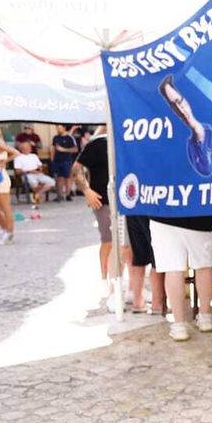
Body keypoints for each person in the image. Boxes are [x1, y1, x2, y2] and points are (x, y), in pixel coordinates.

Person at [150, 215, 212, 340]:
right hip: (201, 213)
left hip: (164, 213)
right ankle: (205, 317)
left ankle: (179, 325)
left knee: (173, 269)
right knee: (204, 265)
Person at [77, 126, 122, 309]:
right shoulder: (97, 143)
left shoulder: (127, 140)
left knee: (125, 245)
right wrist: (87, 190)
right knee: (109, 241)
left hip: (126, 199)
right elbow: (76, 170)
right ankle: (106, 282)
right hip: (101, 200)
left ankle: (119, 284)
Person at [124, 215, 167, 316]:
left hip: (133, 208)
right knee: (156, 257)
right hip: (152, 209)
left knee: (138, 256)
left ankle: (138, 301)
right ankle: (157, 303)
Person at [51, 126, 80, 201]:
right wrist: (52, 159)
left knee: (68, 178)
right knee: (59, 178)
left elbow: (75, 149)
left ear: (64, 128)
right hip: (57, 160)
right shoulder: (55, 138)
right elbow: (53, 148)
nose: (57, 129)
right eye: (56, 127)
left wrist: (63, 149)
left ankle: (68, 194)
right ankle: (59, 195)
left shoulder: (70, 138)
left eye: (59, 127)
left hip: (67, 160)